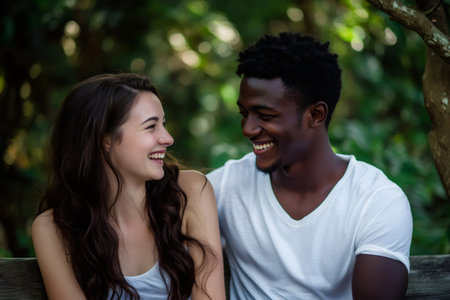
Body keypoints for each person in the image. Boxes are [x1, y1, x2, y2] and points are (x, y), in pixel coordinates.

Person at [206, 32, 413, 299]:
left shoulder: (376, 202)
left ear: (315, 114)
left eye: (265, 115)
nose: (247, 129)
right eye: (244, 114)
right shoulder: (226, 186)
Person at [32, 73, 226, 300]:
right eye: (151, 126)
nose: (168, 138)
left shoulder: (190, 192)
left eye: (162, 124)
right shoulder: (53, 229)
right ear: (104, 140)